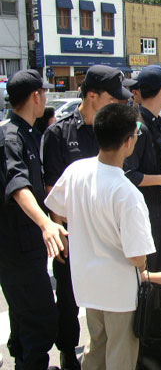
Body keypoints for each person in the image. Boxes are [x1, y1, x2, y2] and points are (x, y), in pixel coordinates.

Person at [45, 103, 156, 370]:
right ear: (128, 142)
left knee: (96, 347)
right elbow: (137, 256)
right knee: (120, 354)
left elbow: (55, 207)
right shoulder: (127, 193)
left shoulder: (76, 171)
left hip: (86, 283)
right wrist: (144, 268)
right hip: (119, 291)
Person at [42, 64, 132, 370]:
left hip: (110, 238)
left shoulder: (111, 129)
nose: (118, 103)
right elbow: (54, 190)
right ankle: (68, 353)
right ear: (92, 95)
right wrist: (62, 231)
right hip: (77, 241)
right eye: (112, 97)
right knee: (70, 302)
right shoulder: (59, 133)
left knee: (106, 318)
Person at [0, 69, 67, 370]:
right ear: (35, 96)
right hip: (16, 247)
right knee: (40, 319)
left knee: (24, 316)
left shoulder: (30, 132)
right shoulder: (10, 137)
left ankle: (26, 363)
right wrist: (45, 223)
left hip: (28, 245)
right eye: (44, 92)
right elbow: (18, 186)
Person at [123, 65, 161, 271]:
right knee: (151, 277)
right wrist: (160, 179)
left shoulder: (156, 121)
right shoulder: (139, 126)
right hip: (147, 215)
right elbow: (128, 174)